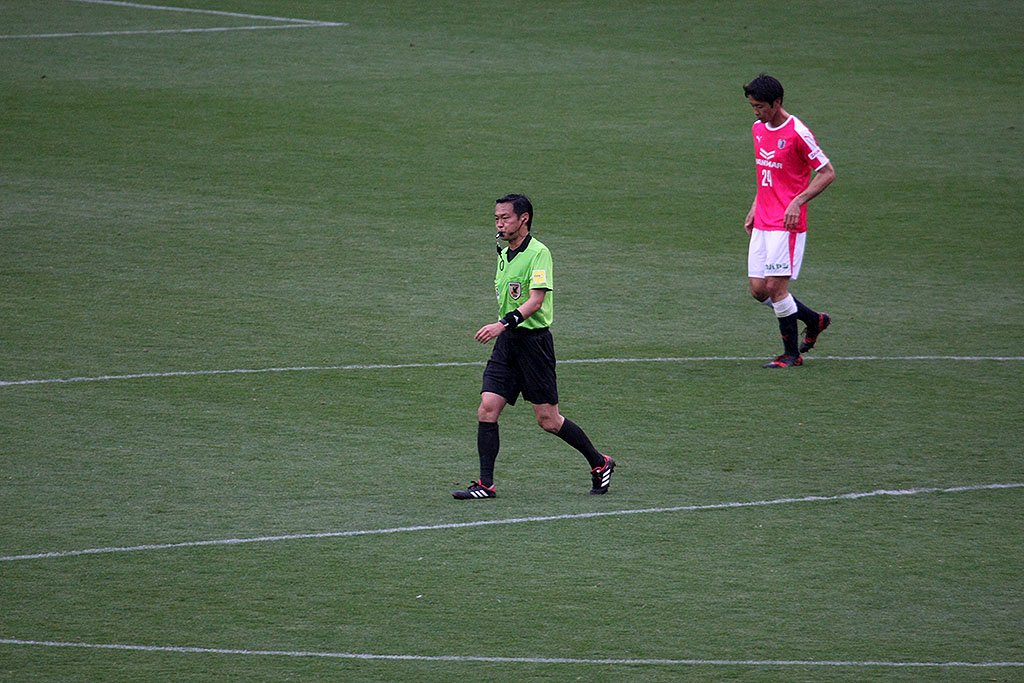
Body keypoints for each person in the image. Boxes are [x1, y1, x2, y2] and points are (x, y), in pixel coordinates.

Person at [452, 194, 615, 499]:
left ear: (523, 218)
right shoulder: (504, 254)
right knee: (487, 409)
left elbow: (535, 301)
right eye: (496, 218)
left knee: (548, 420)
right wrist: (504, 330)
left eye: (505, 218)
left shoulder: (539, 253)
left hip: (534, 345)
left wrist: (502, 324)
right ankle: (485, 485)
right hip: (507, 345)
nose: (499, 224)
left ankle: (599, 462)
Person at [743, 74, 836, 368]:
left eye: (760, 106)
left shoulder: (798, 133)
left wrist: (798, 201)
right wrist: (755, 206)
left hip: (787, 224)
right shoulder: (758, 129)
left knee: (776, 288)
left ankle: (791, 354)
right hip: (763, 219)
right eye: (753, 106)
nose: (756, 112)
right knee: (759, 290)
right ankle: (814, 320)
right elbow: (767, 174)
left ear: (777, 103)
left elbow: (827, 172)